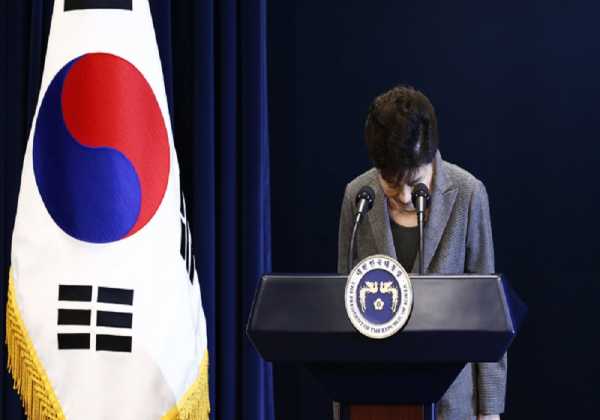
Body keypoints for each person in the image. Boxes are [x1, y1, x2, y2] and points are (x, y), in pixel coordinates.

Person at [337, 85, 506, 420]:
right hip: (375, 396)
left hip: (450, 402)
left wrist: (489, 411)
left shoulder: (468, 194)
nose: (402, 195)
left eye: (413, 181)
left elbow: (489, 312)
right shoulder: (358, 196)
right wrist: (341, 405)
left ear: (431, 156)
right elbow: (342, 308)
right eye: (391, 182)